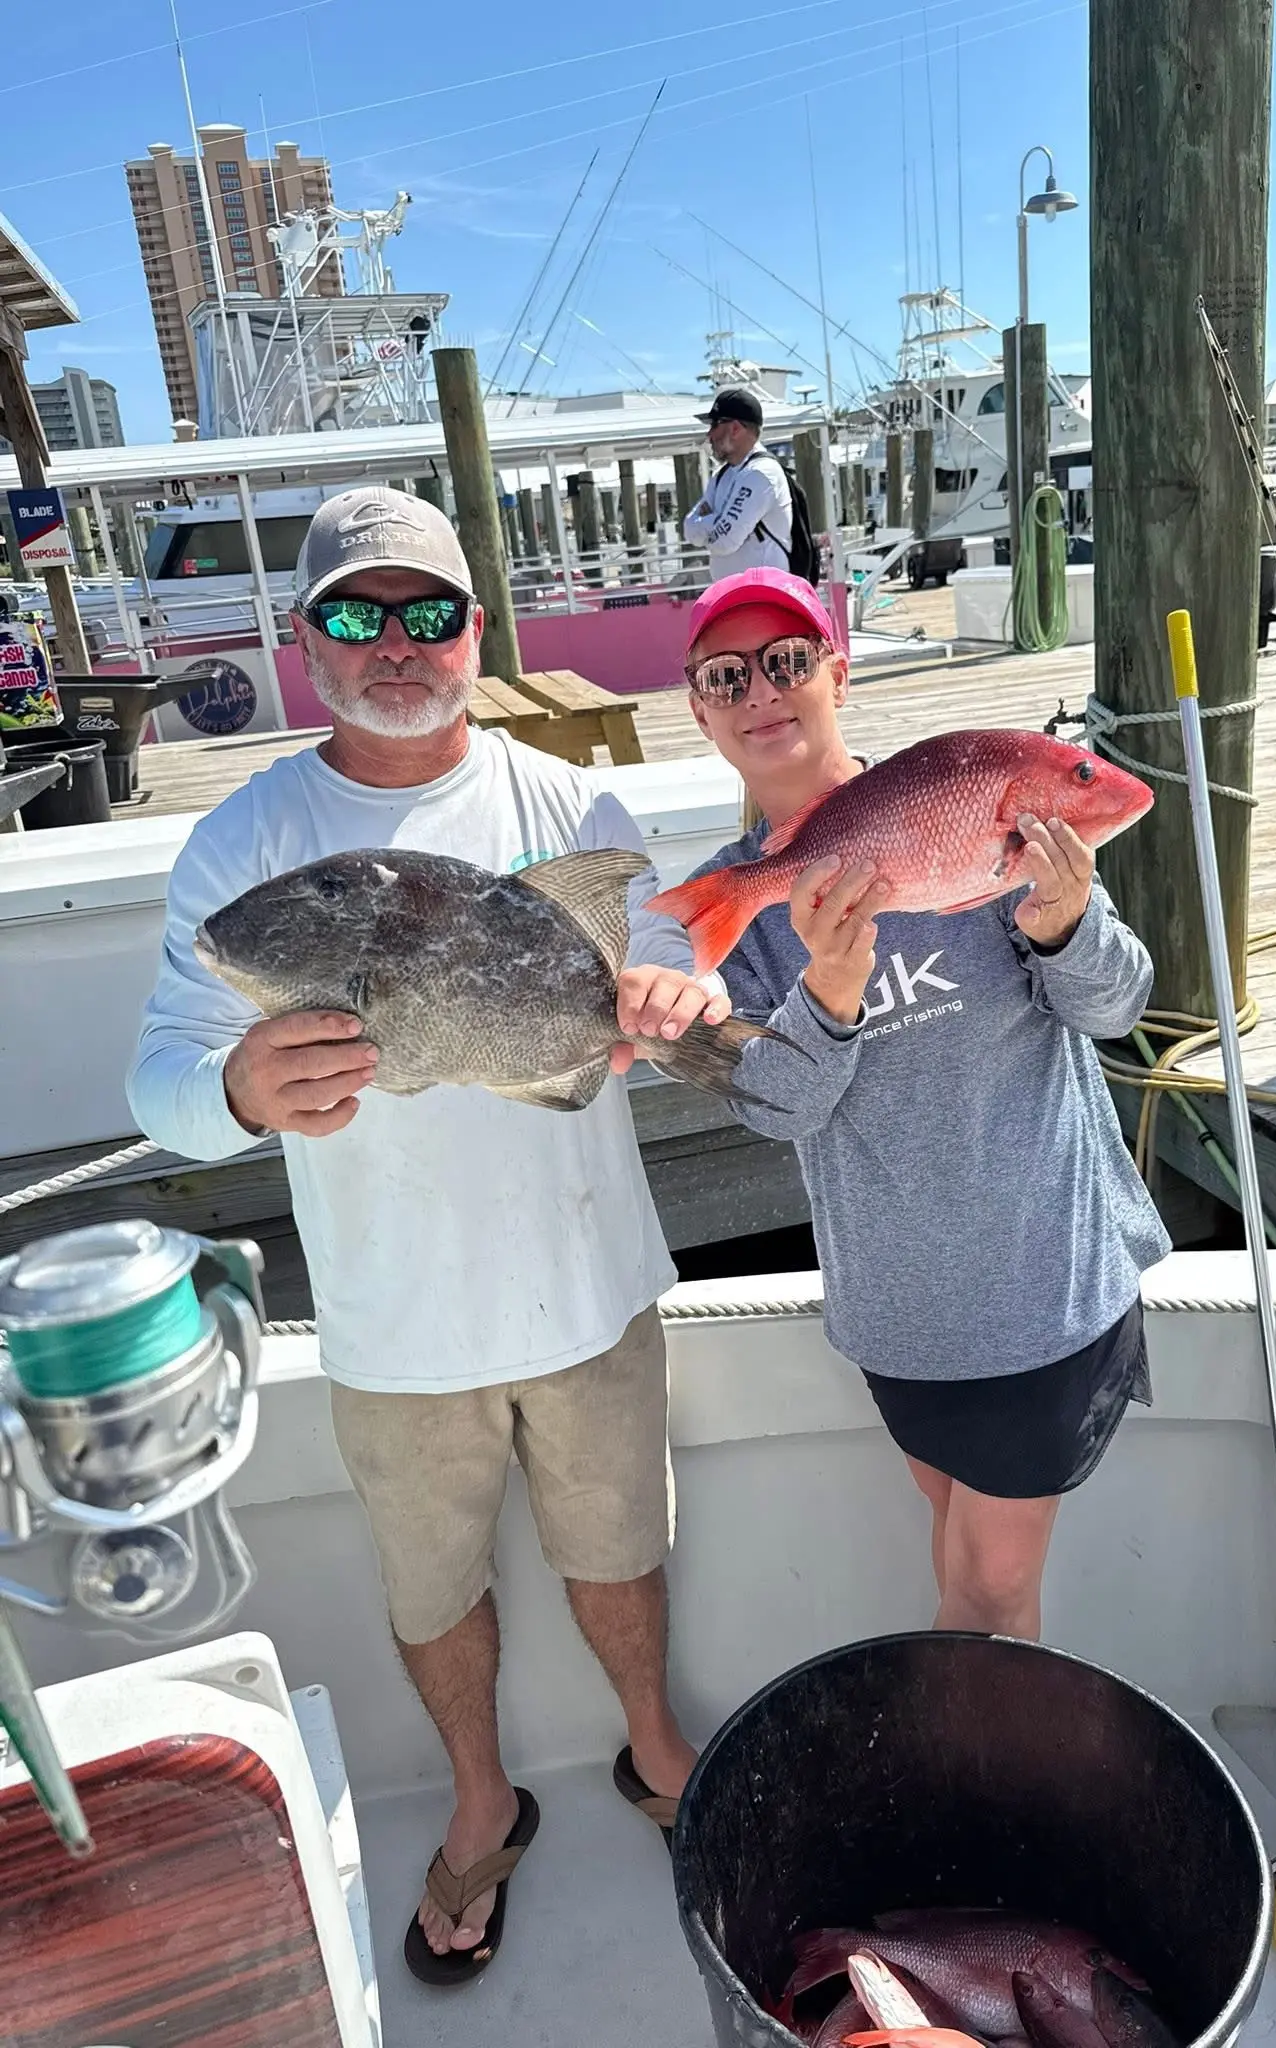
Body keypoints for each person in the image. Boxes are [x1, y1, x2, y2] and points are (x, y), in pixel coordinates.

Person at [127, 485, 725, 1986]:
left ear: (475, 626)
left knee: (618, 1546)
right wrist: (238, 1092)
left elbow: (648, 949)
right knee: (431, 1591)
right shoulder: (245, 845)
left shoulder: (568, 802)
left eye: (426, 611)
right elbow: (161, 1085)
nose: (393, 643)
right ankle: (480, 1794)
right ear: (302, 634)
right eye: (351, 613)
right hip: (394, 1324)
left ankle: (658, 1751)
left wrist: (668, 999)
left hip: (590, 1282)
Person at [673, 566, 1171, 1643]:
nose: (763, 691)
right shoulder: (733, 903)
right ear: (700, 711)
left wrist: (1062, 923)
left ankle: (973, 1791)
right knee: (954, 1542)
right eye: (729, 675)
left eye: (788, 661)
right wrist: (831, 997)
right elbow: (776, 1108)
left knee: (989, 1591)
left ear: (836, 676)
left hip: (1047, 1285)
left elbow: (1120, 1004)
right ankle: (978, 1779)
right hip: (901, 1312)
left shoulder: (990, 812)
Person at [683, 387, 793, 580]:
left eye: (715, 425)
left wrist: (709, 522)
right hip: (735, 598)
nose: (710, 434)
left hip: (763, 596)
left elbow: (724, 542)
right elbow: (688, 528)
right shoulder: (721, 474)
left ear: (735, 428)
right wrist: (718, 522)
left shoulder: (760, 473)